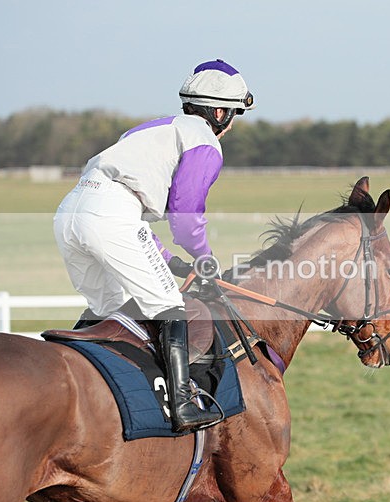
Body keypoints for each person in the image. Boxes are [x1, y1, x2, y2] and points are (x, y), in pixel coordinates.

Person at [53, 59, 255, 432]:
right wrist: (204, 259)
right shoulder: (205, 141)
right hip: (111, 216)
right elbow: (184, 215)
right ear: (221, 112)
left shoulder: (149, 129)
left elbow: (132, 219)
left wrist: (171, 263)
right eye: (234, 115)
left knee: (111, 310)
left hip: (72, 211)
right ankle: (183, 406)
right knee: (168, 306)